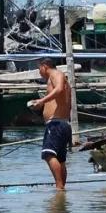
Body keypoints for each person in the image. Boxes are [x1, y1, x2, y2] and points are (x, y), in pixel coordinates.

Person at [30, 57, 72, 189]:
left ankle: (59, 187)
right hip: (61, 123)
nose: (39, 72)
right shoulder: (55, 77)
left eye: (39, 68)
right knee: (60, 159)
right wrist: (40, 106)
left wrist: (42, 100)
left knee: (48, 154)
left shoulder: (56, 74)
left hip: (56, 124)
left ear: (44, 66)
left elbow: (59, 89)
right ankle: (61, 188)